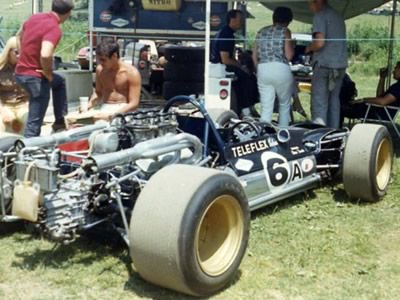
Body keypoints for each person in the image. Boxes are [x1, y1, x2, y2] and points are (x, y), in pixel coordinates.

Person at [15, 0, 74, 137]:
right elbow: (46, 54)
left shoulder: (35, 17)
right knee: (34, 124)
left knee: (59, 81)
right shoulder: (54, 28)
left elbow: (18, 36)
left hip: (20, 73)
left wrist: (21, 55)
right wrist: (47, 73)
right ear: (68, 13)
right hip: (35, 78)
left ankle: (59, 122)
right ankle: (28, 153)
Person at [305, 0, 347, 128]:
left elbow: (319, 43)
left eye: (309, 3)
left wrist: (308, 48)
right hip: (340, 65)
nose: (309, 6)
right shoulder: (338, 16)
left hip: (324, 64)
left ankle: (319, 136)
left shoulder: (320, 15)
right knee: (334, 102)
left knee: (319, 103)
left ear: (317, 2)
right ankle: (334, 135)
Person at [210, 9, 259, 117]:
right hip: (220, 67)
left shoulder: (227, 33)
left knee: (248, 75)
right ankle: (246, 110)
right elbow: (225, 59)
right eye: (240, 20)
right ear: (232, 20)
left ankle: (249, 107)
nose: (241, 22)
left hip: (221, 66)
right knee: (246, 78)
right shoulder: (226, 34)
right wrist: (241, 66)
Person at [252, 6, 294, 126]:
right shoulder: (285, 31)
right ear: (288, 20)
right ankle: (283, 134)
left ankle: (264, 136)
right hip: (281, 69)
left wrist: (258, 69)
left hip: (263, 68)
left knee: (266, 108)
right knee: (284, 105)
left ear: (273, 18)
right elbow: (289, 55)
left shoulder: (261, 31)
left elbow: (254, 56)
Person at [88, 40, 141, 121]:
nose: (100, 63)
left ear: (114, 56)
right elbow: (98, 93)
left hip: (124, 111)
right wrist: (89, 104)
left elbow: (133, 103)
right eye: (99, 60)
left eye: (103, 60)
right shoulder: (100, 70)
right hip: (105, 108)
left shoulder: (131, 73)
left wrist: (113, 116)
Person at [0, 37, 29, 134]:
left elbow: (32, 89)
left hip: (22, 105)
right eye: (16, 52)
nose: (19, 55)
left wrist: (29, 104)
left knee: (29, 120)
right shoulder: (1, 69)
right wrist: (2, 111)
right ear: (8, 51)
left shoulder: (26, 67)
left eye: (22, 52)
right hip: (5, 105)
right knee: (5, 124)